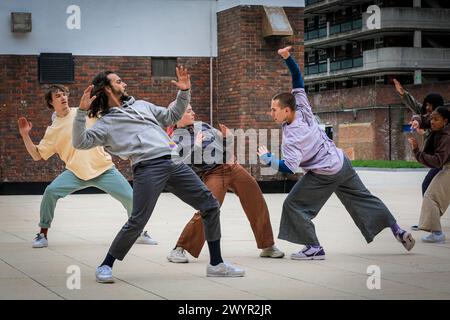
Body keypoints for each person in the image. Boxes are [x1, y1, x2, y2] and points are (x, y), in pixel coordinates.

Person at [72, 67, 245, 283]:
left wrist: (184, 91)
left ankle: (216, 264)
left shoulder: (142, 105)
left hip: (173, 162)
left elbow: (172, 116)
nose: (124, 84)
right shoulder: (105, 124)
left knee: (210, 205)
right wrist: (80, 113)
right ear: (107, 88)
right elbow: (80, 142)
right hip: (147, 167)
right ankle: (106, 265)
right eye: (119, 81)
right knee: (138, 220)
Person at [257, 46, 415, 260]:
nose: (271, 113)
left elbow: (290, 167)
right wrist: (287, 57)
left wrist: (268, 159)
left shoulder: (292, 137)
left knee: (293, 204)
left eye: (273, 109)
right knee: (363, 198)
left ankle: (314, 248)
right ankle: (398, 230)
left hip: (324, 172)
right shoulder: (302, 107)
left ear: (286, 110)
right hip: (342, 163)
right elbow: (297, 77)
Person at [17, 85, 157, 248]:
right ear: (50, 102)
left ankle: (139, 232)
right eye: (57, 96)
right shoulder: (53, 130)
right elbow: (37, 155)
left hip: (104, 169)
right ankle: (42, 234)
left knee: (131, 198)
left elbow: (108, 116)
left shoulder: (82, 113)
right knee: (50, 191)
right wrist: (25, 135)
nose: (63, 98)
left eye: (64, 94)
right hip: (75, 172)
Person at [166, 104, 284, 263]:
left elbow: (223, 143)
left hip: (231, 166)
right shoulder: (174, 139)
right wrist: (197, 146)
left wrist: (227, 139)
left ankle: (267, 246)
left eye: (192, 108)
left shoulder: (204, 126)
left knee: (256, 200)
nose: (193, 112)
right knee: (208, 209)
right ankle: (179, 249)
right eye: (188, 110)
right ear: (177, 115)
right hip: (213, 173)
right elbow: (182, 164)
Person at [393, 80, 445, 230]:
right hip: (439, 161)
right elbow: (416, 108)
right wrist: (403, 93)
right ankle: (430, 219)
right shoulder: (428, 115)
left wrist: (425, 130)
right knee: (428, 187)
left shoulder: (441, 119)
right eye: (426, 105)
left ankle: (430, 221)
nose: (426, 107)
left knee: (428, 187)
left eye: (429, 105)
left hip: (443, 161)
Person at [408, 106, 450, 243]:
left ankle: (437, 234)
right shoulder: (440, 127)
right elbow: (425, 118)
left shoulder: (446, 137)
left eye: (436, 119)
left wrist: (416, 152)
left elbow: (438, 161)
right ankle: (435, 231)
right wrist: (417, 120)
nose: (432, 122)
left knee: (431, 196)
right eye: (432, 118)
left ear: (446, 121)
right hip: (446, 167)